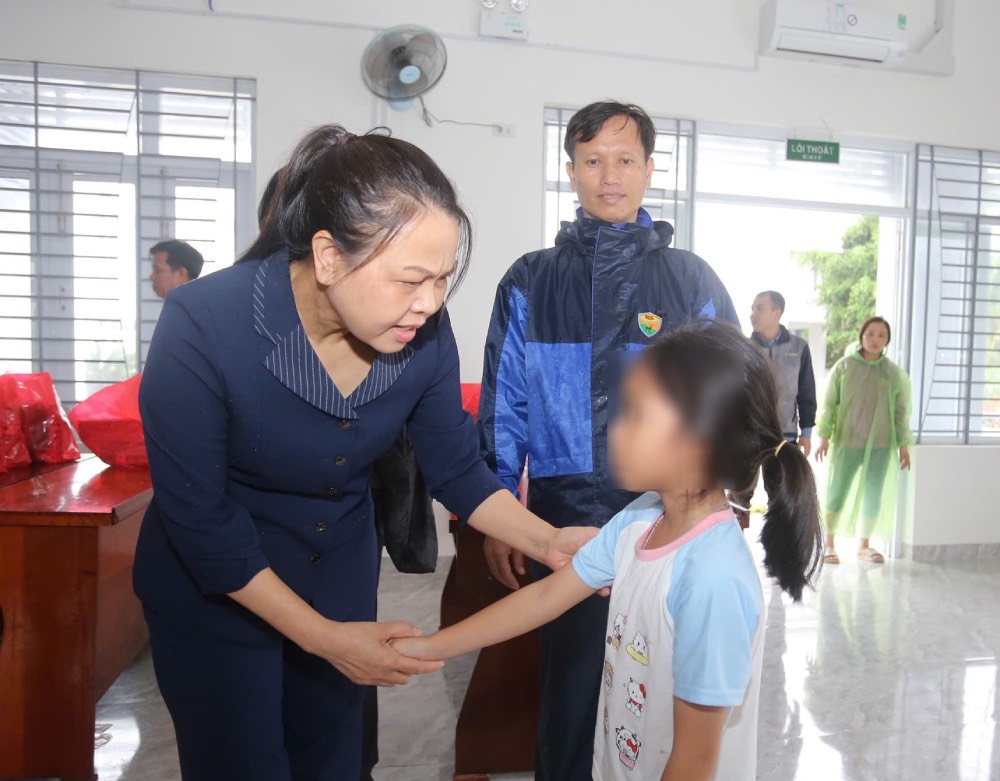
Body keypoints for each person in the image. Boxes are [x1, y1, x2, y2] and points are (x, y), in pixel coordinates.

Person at [134, 125, 598, 781]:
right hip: (218, 585)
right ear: (328, 257)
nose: (430, 303)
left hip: (334, 571)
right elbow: (202, 520)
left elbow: (458, 466)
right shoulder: (205, 323)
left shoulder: (422, 335)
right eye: (411, 279)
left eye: (441, 280)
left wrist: (549, 541)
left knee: (333, 757)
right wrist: (325, 638)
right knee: (243, 761)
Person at [396, 321, 824, 781]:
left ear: (696, 444)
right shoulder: (640, 519)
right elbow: (542, 599)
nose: (612, 430)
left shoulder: (712, 577)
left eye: (635, 414)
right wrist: (426, 648)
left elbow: (694, 763)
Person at [478, 100, 739, 779]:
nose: (610, 175)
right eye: (593, 160)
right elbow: (505, 403)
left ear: (651, 169)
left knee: (656, 690)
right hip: (560, 514)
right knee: (570, 689)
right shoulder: (530, 279)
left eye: (625, 159)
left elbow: (731, 397)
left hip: (663, 511)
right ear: (571, 171)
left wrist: (723, 503)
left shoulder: (689, 280)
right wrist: (501, 511)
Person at [814, 316, 912, 564]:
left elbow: (901, 412)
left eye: (882, 335)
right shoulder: (844, 367)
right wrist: (824, 436)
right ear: (862, 336)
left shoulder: (892, 373)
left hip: (880, 445)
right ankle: (829, 544)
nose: (876, 339)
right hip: (847, 443)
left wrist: (903, 446)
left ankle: (864, 546)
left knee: (873, 495)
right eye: (871, 333)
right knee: (837, 491)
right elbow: (828, 405)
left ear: (887, 340)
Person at [749, 290, 817, 455]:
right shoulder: (744, 348)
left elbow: (806, 392)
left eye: (760, 308)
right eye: (752, 308)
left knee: (781, 481)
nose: (753, 314)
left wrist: (806, 434)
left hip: (785, 435)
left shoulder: (799, 347)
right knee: (745, 482)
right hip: (750, 435)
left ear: (776, 313)